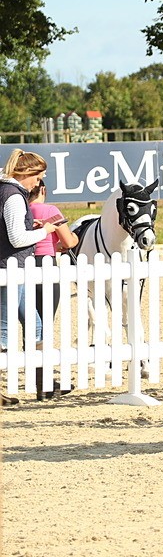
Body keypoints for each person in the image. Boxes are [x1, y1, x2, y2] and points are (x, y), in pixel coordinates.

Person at [0, 150, 53, 407]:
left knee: (35, 324)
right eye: (38, 176)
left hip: (14, 268)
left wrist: (31, 228)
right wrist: (46, 232)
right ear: (26, 174)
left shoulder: (10, 193)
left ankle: (45, 385)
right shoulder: (13, 197)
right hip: (9, 270)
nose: (38, 183)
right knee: (3, 333)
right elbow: (16, 239)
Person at [28, 180, 78, 400]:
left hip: (23, 264)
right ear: (43, 190)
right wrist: (69, 239)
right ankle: (44, 382)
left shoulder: (22, 210)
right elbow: (69, 241)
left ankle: (37, 379)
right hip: (46, 266)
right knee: (44, 325)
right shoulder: (51, 211)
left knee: (29, 323)